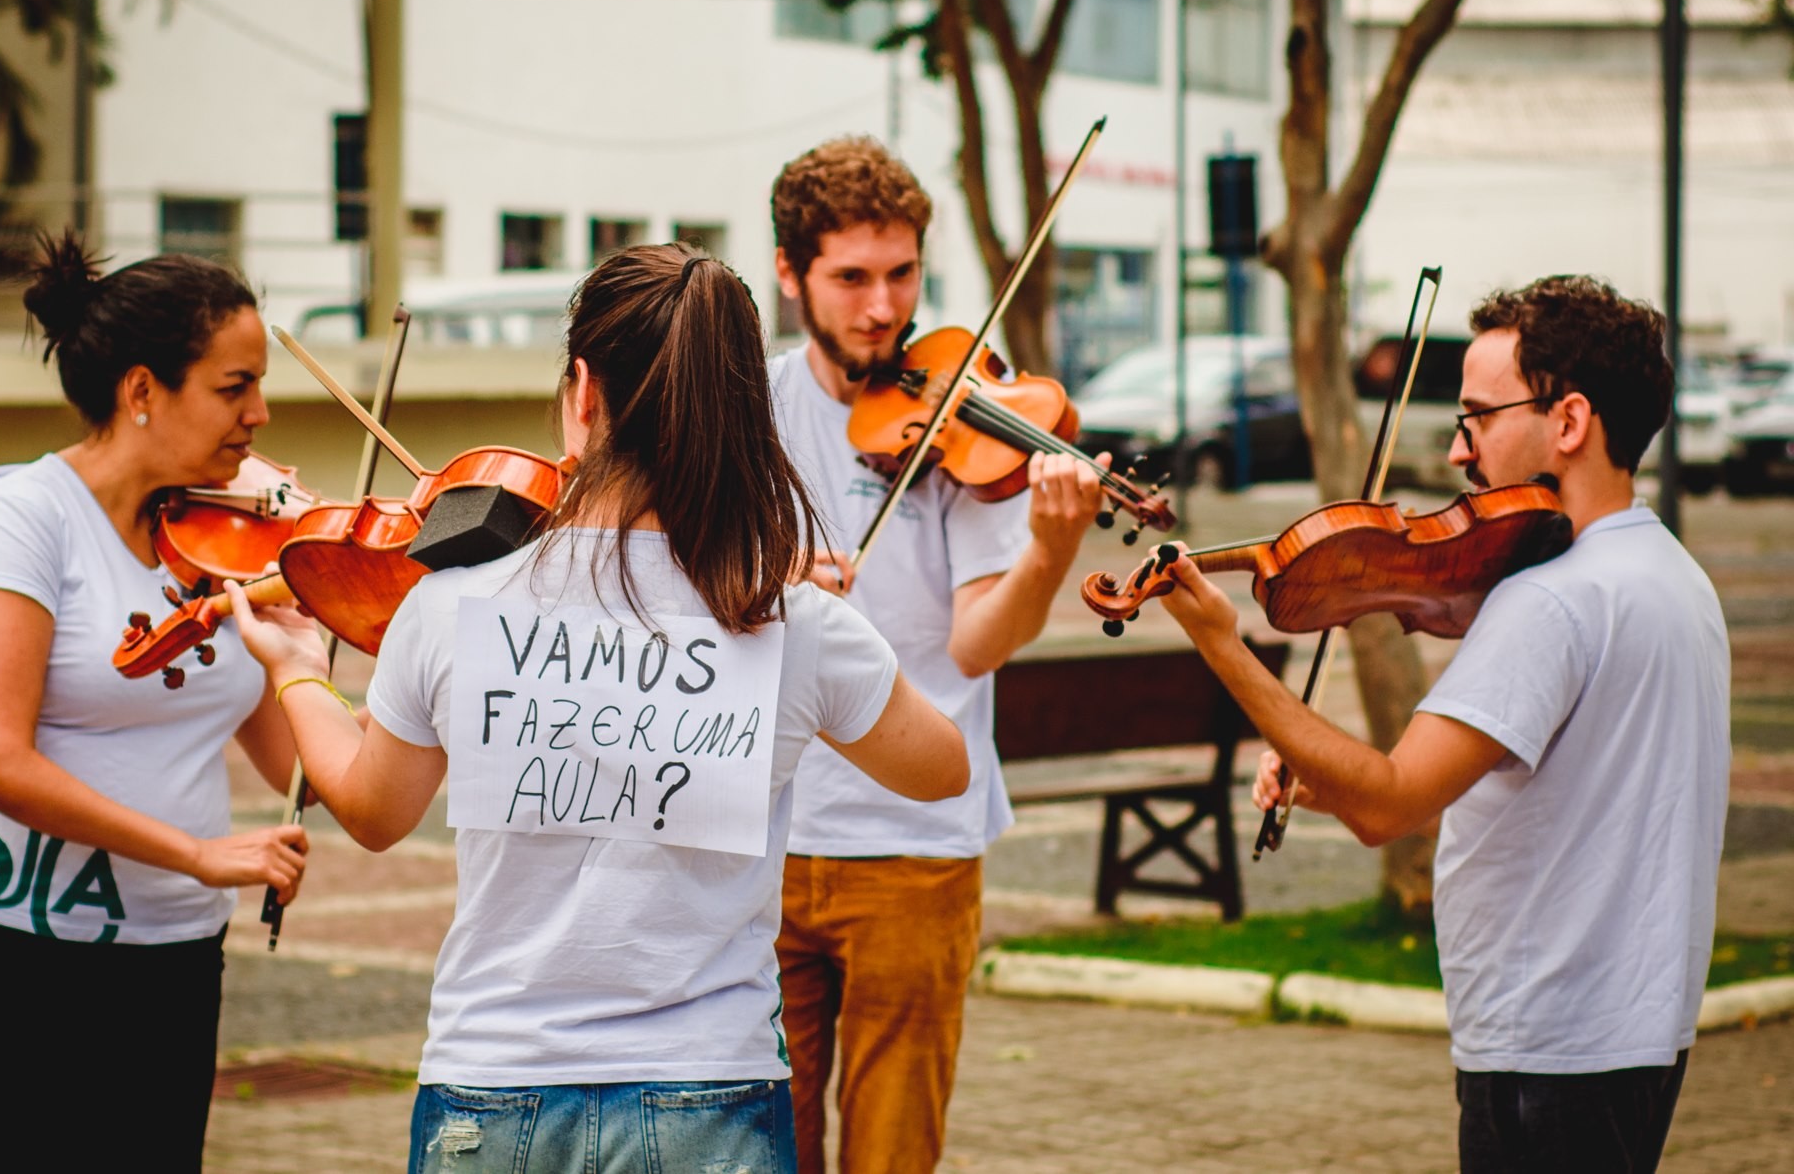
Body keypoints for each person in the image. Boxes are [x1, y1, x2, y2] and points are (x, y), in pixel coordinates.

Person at [226, 243, 969, 1173]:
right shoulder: (791, 620)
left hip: (494, 1079)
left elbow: (373, 813)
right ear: (742, 410)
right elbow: (943, 768)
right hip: (711, 1084)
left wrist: (297, 667)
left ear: (583, 391)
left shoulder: (452, 602)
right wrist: (820, 642)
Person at [1146, 276, 1729, 1173]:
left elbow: (1389, 805)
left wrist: (1223, 643)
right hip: (1638, 1029)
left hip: (1547, 1041)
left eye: (1478, 416)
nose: (1461, 451)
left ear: (1567, 421)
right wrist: (1323, 765)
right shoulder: (1671, 574)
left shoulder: (1549, 600)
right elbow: (1533, 771)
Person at [0, 233, 310, 1171]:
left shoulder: (216, 546)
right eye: (234, 386)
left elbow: (301, 772)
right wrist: (199, 852)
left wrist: (321, 644)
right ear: (141, 391)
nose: (261, 412)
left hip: (168, 960)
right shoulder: (25, 517)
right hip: (8, 960)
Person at [764, 136, 1108, 1174]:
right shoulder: (746, 409)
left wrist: (1048, 552)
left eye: (902, 274)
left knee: (892, 1154)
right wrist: (767, 582)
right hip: (760, 836)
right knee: (756, 1150)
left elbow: (975, 642)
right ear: (790, 275)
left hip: (915, 844)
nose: (882, 308)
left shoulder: (967, 417)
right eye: (851, 278)